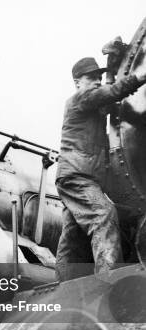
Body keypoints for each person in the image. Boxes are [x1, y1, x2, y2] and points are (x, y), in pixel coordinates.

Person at [55, 57, 146, 281]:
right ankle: (108, 282)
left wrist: (113, 69)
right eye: (90, 78)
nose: (96, 82)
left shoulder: (92, 107)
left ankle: (62, 286)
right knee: (103, 214)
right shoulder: (79, 99)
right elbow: (109, 93)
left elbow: (109, 99)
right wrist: (139, 77)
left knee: (73, 235)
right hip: (77, 176)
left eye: (98, 77)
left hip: (79, 176)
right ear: (77, 82)